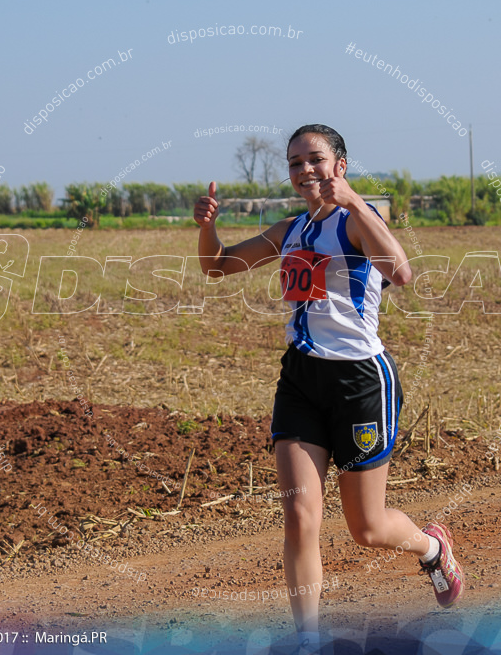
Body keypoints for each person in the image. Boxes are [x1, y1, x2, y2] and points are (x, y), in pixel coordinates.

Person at [194, 124, 464, 653]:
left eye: (314, 159)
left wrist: (355, 201)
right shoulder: (289, 229)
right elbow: (217, 266)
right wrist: (207, 228)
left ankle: (431, 548)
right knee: (299, 514)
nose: (304, 170)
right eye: (294, 163)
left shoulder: (360, 222)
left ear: (340, 164)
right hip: (300, 379)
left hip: (361, 382)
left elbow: (401, 273)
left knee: (366, 528)